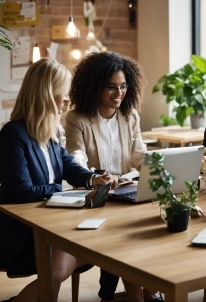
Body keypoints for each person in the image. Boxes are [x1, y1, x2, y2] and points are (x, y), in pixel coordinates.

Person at [0, 59, 117, 302]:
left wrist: (94, 178)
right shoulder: (13, 133)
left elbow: (69, 167)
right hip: (17, 234)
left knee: (101, 244)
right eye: (63, 92)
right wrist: (59, 191)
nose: (67, 99)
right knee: (63, 263)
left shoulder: (52, 131)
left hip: (48, 227)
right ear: (45, 93)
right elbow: (22, 191)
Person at [65, 52, 160, 302]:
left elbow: (140, 157)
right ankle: (143, 296)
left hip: (128, 191)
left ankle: (146, 293)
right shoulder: (77, 118)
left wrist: (161, 164)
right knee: (129, 236)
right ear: (94, 87)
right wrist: (92, 175)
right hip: (100, 197)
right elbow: (76, 156)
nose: (119, 94)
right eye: (111, 87)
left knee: (150, 227)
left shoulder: (130, 116)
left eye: (123, 87)